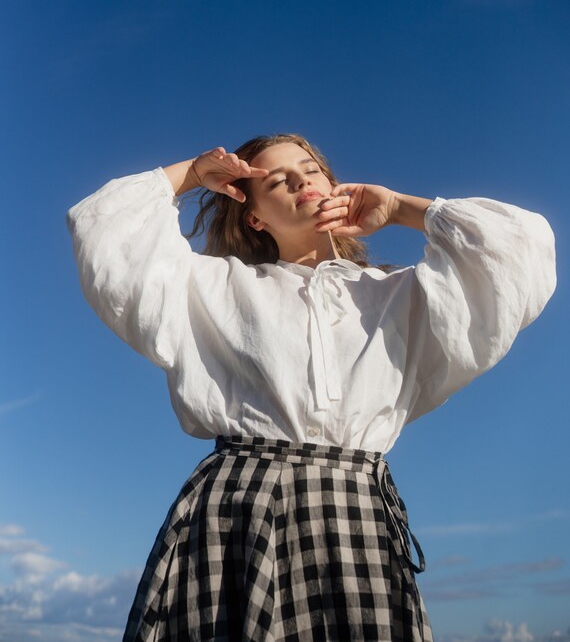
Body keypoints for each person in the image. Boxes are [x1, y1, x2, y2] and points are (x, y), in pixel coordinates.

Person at [66, 133, 556, 642]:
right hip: (238, 513)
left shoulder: (401, 295)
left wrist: (400, 208)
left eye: (310, 169)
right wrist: (192, 173)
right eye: (278, 180)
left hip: (357, 513)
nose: (301, 181)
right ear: (254, 217)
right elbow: (105, 231)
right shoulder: (211, 287)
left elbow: (516, 250)